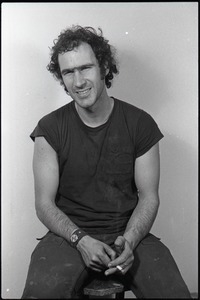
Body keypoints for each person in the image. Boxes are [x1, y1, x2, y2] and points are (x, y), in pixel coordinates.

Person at [22, 25, 191, 299]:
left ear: (103, 67)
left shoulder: (140, 123)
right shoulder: (49, 128)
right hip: (68, 236)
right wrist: (80, 240)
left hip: (128, 232)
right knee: (39, 294)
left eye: (85, 68)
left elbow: (149, 197)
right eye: (68, 72)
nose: (78, 81)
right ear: (61, 78)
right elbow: (43, 204)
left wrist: (131, 240)